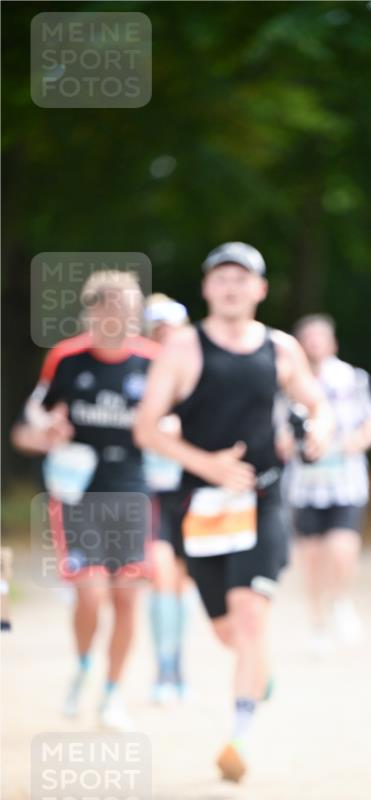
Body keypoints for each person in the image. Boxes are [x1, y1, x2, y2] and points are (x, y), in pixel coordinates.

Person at [134, 242, 332, 782]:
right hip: (197, 506)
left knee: (249, 617)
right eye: (220, 277)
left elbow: (317, 406)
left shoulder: (281, 348)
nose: (230, 286)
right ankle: (256, 674)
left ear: (260, 289)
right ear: (206, 289)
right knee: (229, 632)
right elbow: (146, 428)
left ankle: (238, 738)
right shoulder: (181, 349)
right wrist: (208, 464)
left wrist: (316, 433)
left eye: (241, 278)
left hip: (262, 499)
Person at [12, 270, 158, 731]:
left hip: (134, 487)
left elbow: (177, 422)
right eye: (113, 305)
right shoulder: (67, 359)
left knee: (127, 599)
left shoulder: (155, 361)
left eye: (131, 306)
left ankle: (113, 695)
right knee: (91, 594)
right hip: (79, 492)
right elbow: (25, 429)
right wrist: (46, 435)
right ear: (93, 310)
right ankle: (83, 666)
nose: (123, 314)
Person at [286, 314, 371, 655]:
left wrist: (358, 442)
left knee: (343, 550)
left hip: (345, 483)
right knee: (311, 557)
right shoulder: (286, 382)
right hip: (304, 486)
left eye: (320, 337)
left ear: (332, 343)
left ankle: (341, 600)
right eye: (308, 338)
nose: (314, 343)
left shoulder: (353, 379)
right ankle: (317, 624)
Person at [143, 294, 193, 704]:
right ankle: (163, 668)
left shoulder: (196, 372)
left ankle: (178, 666)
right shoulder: (135, 373)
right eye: (156, 330)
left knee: (183, 581)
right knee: (161, 575)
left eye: (169, 329)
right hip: (149, 489)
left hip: (190, 489)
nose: (164, 337)